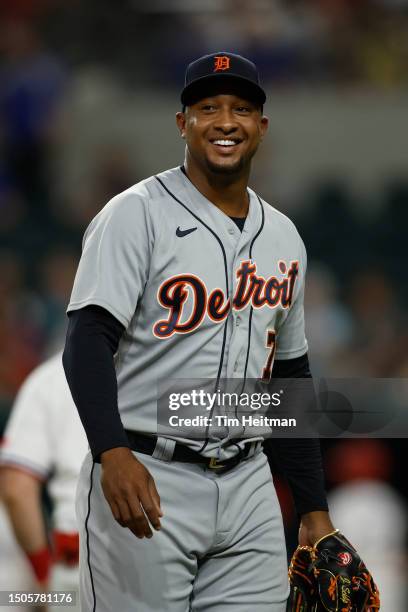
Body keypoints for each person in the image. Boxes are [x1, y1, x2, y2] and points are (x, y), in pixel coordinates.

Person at [63, 51, 334, 611]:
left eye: (241, 108)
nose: (225, 122)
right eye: (207, 107)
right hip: (147, 473)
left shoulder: (284, 237)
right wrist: (111, 452)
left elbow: (290, 376)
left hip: (251, 485)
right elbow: (87, 340)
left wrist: (312, 507)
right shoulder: (134, 214)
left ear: (262, 125)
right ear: (182, 123)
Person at [0, 352, 88, 612]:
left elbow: (17, 488)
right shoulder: (185, 369)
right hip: (168, 560)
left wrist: (42, 578)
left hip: (77, 568)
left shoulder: (51, 377)